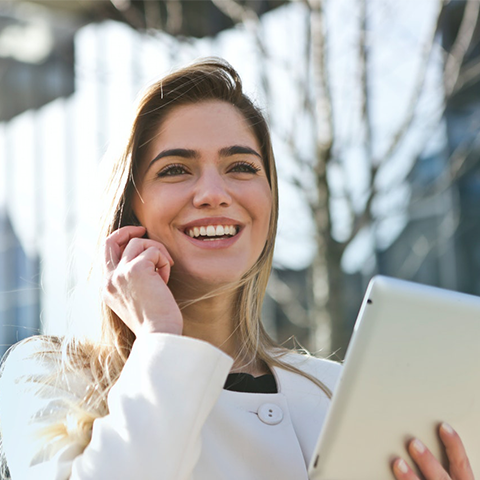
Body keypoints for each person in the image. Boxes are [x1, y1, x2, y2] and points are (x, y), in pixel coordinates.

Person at [0, 58, 473, 480]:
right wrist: (162, 338)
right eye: (175, 169)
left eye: (242, 167)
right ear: (129, 212)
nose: (213, 192)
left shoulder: (340, 394)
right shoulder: (45, 377)